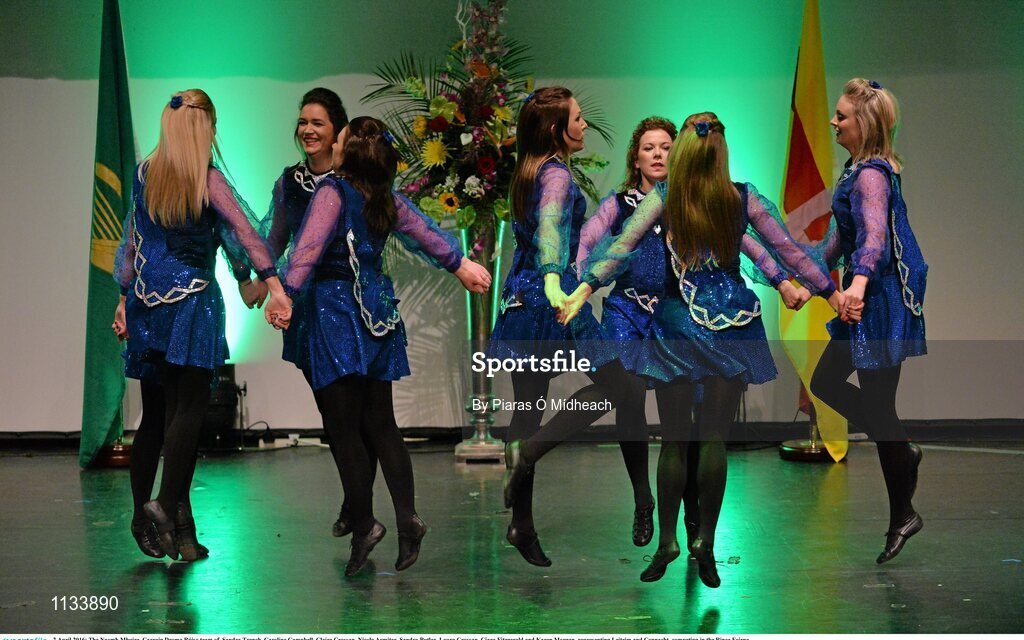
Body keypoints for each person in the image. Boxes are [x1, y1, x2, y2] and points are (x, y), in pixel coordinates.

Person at [569, 112, 844, 587]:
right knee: (713, 440)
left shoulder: (664, 197)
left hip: (676, 327)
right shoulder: (741, 197)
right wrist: (829, 292)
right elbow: (787, 250)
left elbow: (621, 248)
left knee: (675, 440)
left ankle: (668, 541)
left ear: (681, 154)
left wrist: (582, 288)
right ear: (722, 153)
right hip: (733, 326)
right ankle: (707, 541)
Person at [265, 116, 491, 576]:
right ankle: (407, 518)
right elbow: (426, 233)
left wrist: (284, 293)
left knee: (345, 429)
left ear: (345, 152)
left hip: (334, 313)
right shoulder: (384, 196)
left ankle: (366, 523)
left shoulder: (333, 191)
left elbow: (307, 249)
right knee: (382, 425)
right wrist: (460, 264)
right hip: (377, 309)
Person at [113, 88, 287, 561]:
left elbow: (133, 240)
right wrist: (267, 282)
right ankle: (165, 507)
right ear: (204, 128)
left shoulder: (146, 173)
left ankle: (159, 523)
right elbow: (244, 233)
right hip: (191, 305)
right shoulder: (208, 181)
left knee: (155, 417)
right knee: (187, 411)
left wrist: (126, 298)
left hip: (150, 304)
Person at [488, 86, 648, 567]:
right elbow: (552, 227)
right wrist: (556, 279)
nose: (584, 125)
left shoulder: (528, 170)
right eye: (577, 119)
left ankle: (522, 522)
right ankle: (529, 453)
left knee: (528, 409)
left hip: (522, 297)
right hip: (550, 300)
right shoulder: (555, 175)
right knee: (620, 388)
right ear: (558, 130)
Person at [809, 78, 927, 564]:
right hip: (869, 295)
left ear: (865, 124)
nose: (833, 122)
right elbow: (844, 235)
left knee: (878, 407)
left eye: (841, 116)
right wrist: (808, 275)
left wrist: (854, 287)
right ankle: (900, 451)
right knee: (834, 386)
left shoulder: (872, 176)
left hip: (880, 302)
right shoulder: (854, 170)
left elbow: (874, 238)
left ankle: (902, 512)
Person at [260, 87, 377, 538]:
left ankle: (359, 507)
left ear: (338, 132)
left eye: (318, 123)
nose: (307, 130)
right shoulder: (290, 182)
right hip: (304, 308)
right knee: (333, 415)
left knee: (357, 416)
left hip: (353, 309)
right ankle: (356, 501)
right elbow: (277, 236)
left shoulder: (355, 180)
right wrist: (259, 278)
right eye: (303, 122)